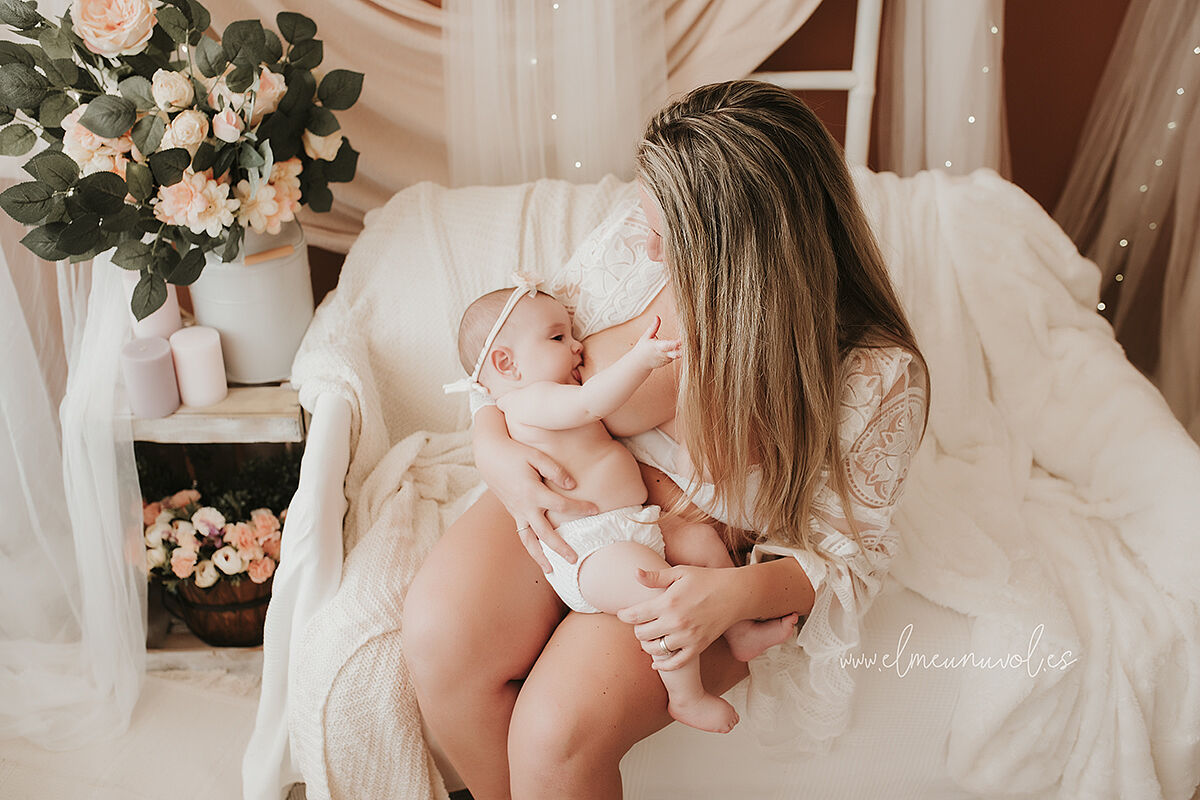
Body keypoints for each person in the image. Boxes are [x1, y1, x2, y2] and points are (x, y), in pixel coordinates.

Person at [403, 79, 930, 800]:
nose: (641, 240)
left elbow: (844, 561)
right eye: (644, 213)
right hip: (570, 481)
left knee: (552, 737)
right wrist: (496, 452)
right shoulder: (635, 245)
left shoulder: (872, 373)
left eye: (663, 231)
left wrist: (725, 596)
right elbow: (514, 360)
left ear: (737, 252)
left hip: (692, 553)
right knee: (440, 640)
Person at [445, 279, 801, 733]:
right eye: (558, 338)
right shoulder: (528, 400)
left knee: (703, 542)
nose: (577, 347)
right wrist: (641, 359)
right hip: (593, 549)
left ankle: (741, 632)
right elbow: (592, 402)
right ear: (505, 364)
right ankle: (686, 696)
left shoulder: (531, 390)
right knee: (661, 599)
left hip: (634, 524)